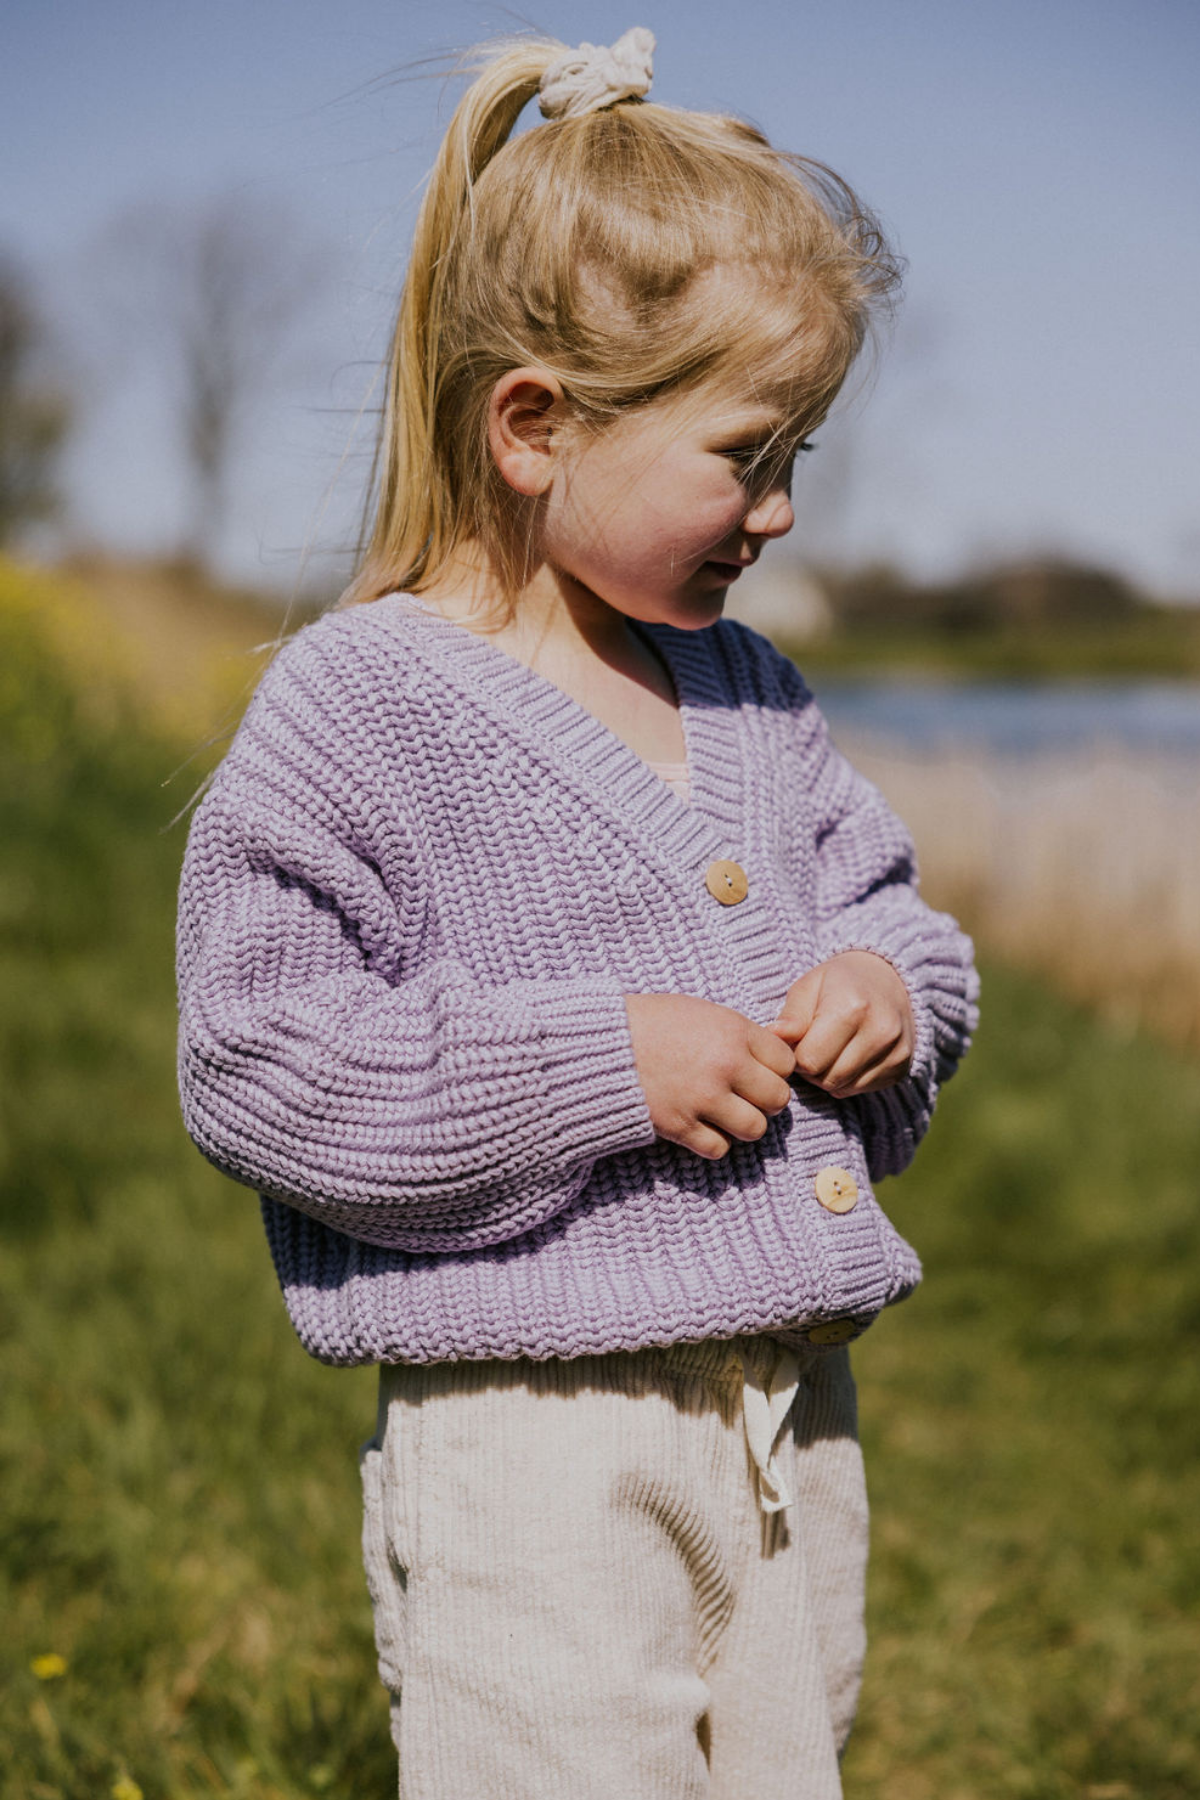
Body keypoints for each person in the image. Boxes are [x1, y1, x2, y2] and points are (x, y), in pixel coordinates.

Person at [175, 27, 979, 1799]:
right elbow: (258, 1059)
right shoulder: (361, 706)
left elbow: (896, 904)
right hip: (531, 1440)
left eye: (804, 455)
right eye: (747, 454)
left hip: (784, 1423)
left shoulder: (752, 689)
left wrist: (887, 987)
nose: (778, 512)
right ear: (535, 425)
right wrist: (594, 1066)